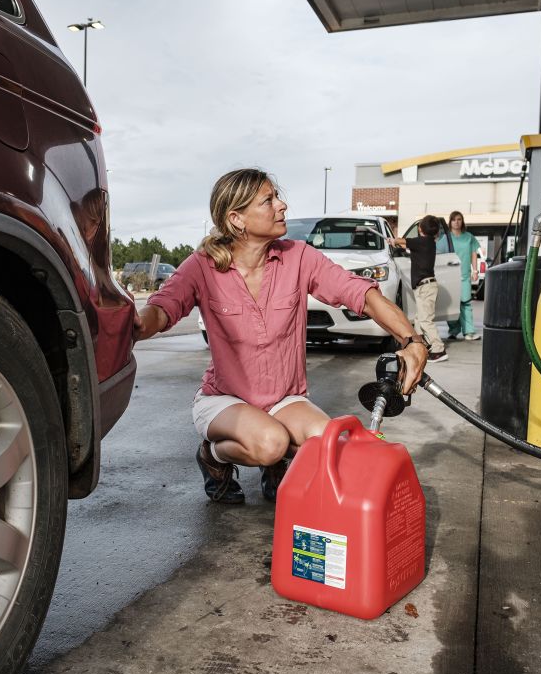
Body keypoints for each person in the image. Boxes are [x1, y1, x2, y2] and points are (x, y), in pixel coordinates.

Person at [133, 169, 429, 504]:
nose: (282, 205)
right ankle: (214, 457)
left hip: (284, 399)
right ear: (237, 218)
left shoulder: (298, 257)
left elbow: (362, 294)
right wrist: (135, 325)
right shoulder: (202, 266)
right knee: (270, 443)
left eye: (278, 196)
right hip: (225, 400)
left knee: (328, 444)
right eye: (268, 200)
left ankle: (276, 464)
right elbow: (162, 309)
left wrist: (412, 341)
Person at [392, 216, 448, 363]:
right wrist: (399, 243)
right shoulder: (428, 243)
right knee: (419, 319)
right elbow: (407, 246)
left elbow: (401, 241)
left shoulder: (422, 241)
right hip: (425, 287)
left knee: (425, 320)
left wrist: (393, 241)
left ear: (419, 229)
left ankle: (439, 349)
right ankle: (420, 346)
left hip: (425, 287)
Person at [446, 210, 481, 341]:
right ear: (450, 222)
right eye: (454, 219)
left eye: (459, 219)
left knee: (465, 303)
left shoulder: (469, 237)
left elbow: (473, 254)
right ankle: (453, 330)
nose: (456, 222)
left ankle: (469, 332)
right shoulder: (446, 237)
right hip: (449, 275)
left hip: (465, 275)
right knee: (451, 304)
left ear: (462, 221)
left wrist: (475, 270)